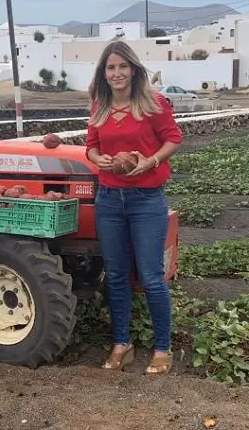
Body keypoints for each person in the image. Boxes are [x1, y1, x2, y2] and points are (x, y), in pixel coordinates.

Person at [84, 41, 182, 375]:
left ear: (134, 69)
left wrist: (151, 161)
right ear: (104, 73)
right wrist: (102, 161)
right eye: (111, 68)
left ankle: (162, 348)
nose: (117, 73)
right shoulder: (100, 106)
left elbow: (173, 138)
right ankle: (122, 344)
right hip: (109, 199)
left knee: (152, 276)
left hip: (146, 200)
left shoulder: (154, 104)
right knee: (116, 276)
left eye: (123, 66)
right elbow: (91, 149)